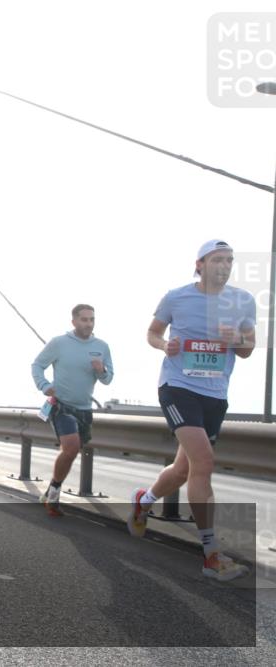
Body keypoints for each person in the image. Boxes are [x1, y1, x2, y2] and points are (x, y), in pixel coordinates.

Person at [128, 240, 255, 581]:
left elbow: (248, 349)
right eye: (217, 259)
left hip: (215, 395)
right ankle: (211, 554)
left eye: (229, 260)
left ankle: (144, 500)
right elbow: (153, 333)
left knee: (184, 469)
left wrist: (236, 340)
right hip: (178, 387)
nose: (224, 266)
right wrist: (163, 345)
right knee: (204, 463)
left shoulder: (242, 301)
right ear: (200, 264)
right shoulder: (177, 297)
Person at [31, 304, 114, 517]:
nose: (88, 323)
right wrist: (44, 385)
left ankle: (50, 489)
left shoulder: (102, 346)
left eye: (92, 319)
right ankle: (54, 496)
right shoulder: (59, 343)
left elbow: (108, 379)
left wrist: (101, 370)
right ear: (74, 321)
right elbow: (37, 365)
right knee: (70, 447)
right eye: (84, 319)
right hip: (61, 406)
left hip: (84, 409)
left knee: (72, 451)